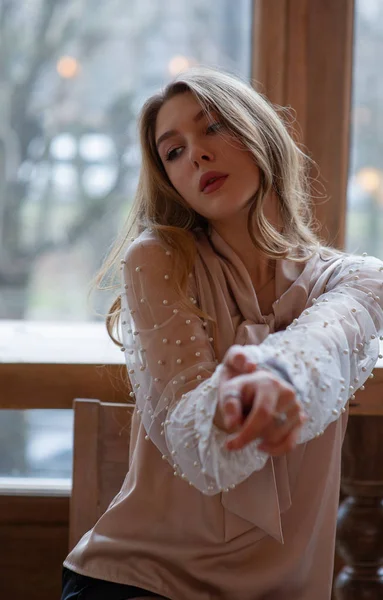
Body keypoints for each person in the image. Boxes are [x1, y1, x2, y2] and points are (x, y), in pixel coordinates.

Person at [61, 66, 383, 600]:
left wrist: (274, 374)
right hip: (139, 581)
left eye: (212, 128)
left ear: (260, 132)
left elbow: (324, 340)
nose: (196, 156)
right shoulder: (159, 260)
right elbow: (196, 446)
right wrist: (234, 401)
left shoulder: (359, 279)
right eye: (173, 152)